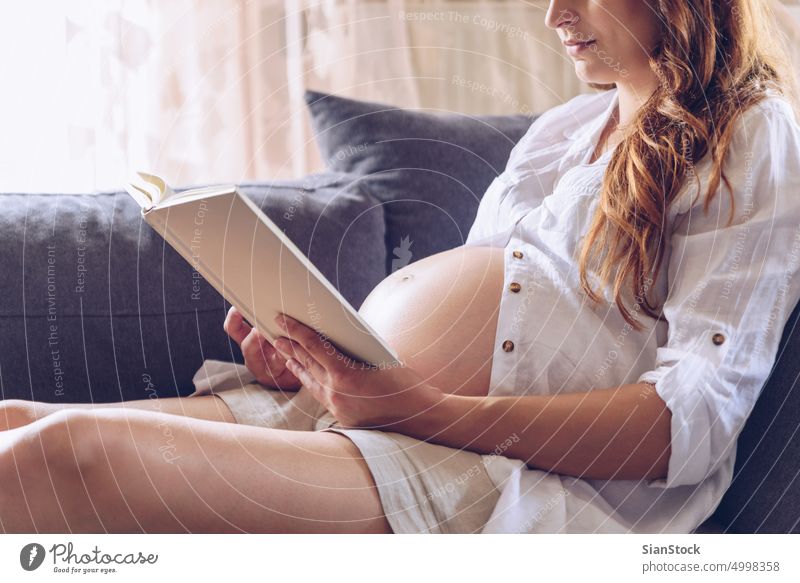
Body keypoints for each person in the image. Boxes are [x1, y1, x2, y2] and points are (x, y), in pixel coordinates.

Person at [2, 0, 800, 534]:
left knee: (61, 458)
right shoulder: (567, 128)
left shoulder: (749, 133)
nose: (555, 15)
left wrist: (426, 409)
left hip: (495, 476)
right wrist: (317, 365)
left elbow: (695, 417)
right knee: (13, 423)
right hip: (380, 420)